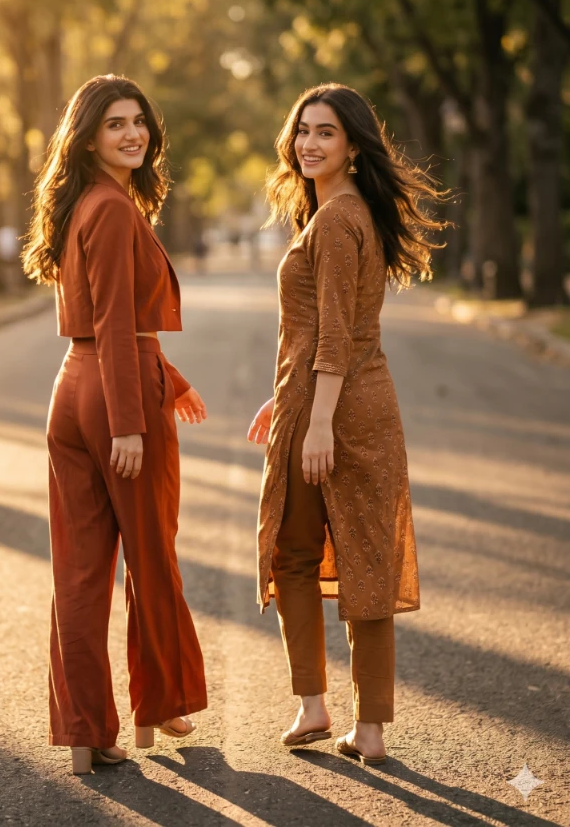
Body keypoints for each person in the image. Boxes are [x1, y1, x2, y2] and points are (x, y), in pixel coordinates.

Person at [247, 82, 446, 764]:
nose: (308, 142)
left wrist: (317, 422)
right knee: (365, 561)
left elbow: (335, 336)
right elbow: (334, 333)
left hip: (333, 407)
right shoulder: (346, 211)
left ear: (353, 146)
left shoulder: (335, 219)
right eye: (302, 129)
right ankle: (367, 729)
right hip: (344, 399)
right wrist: (284, 400)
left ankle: (314, 705)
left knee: (293, 552)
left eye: (325, 132)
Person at [23, 74, 208, 774]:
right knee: (150, 557)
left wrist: (172, 381)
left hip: (74, 389)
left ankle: (84, 731)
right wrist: (130, 424)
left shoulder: (82, 204)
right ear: (89, 137)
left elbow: (102, 324)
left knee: (77, 569)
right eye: (115, 125)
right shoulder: (111, 207)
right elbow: (114, 321)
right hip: (113, 401)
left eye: (138, 122)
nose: (133, 133)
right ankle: (159, 704)